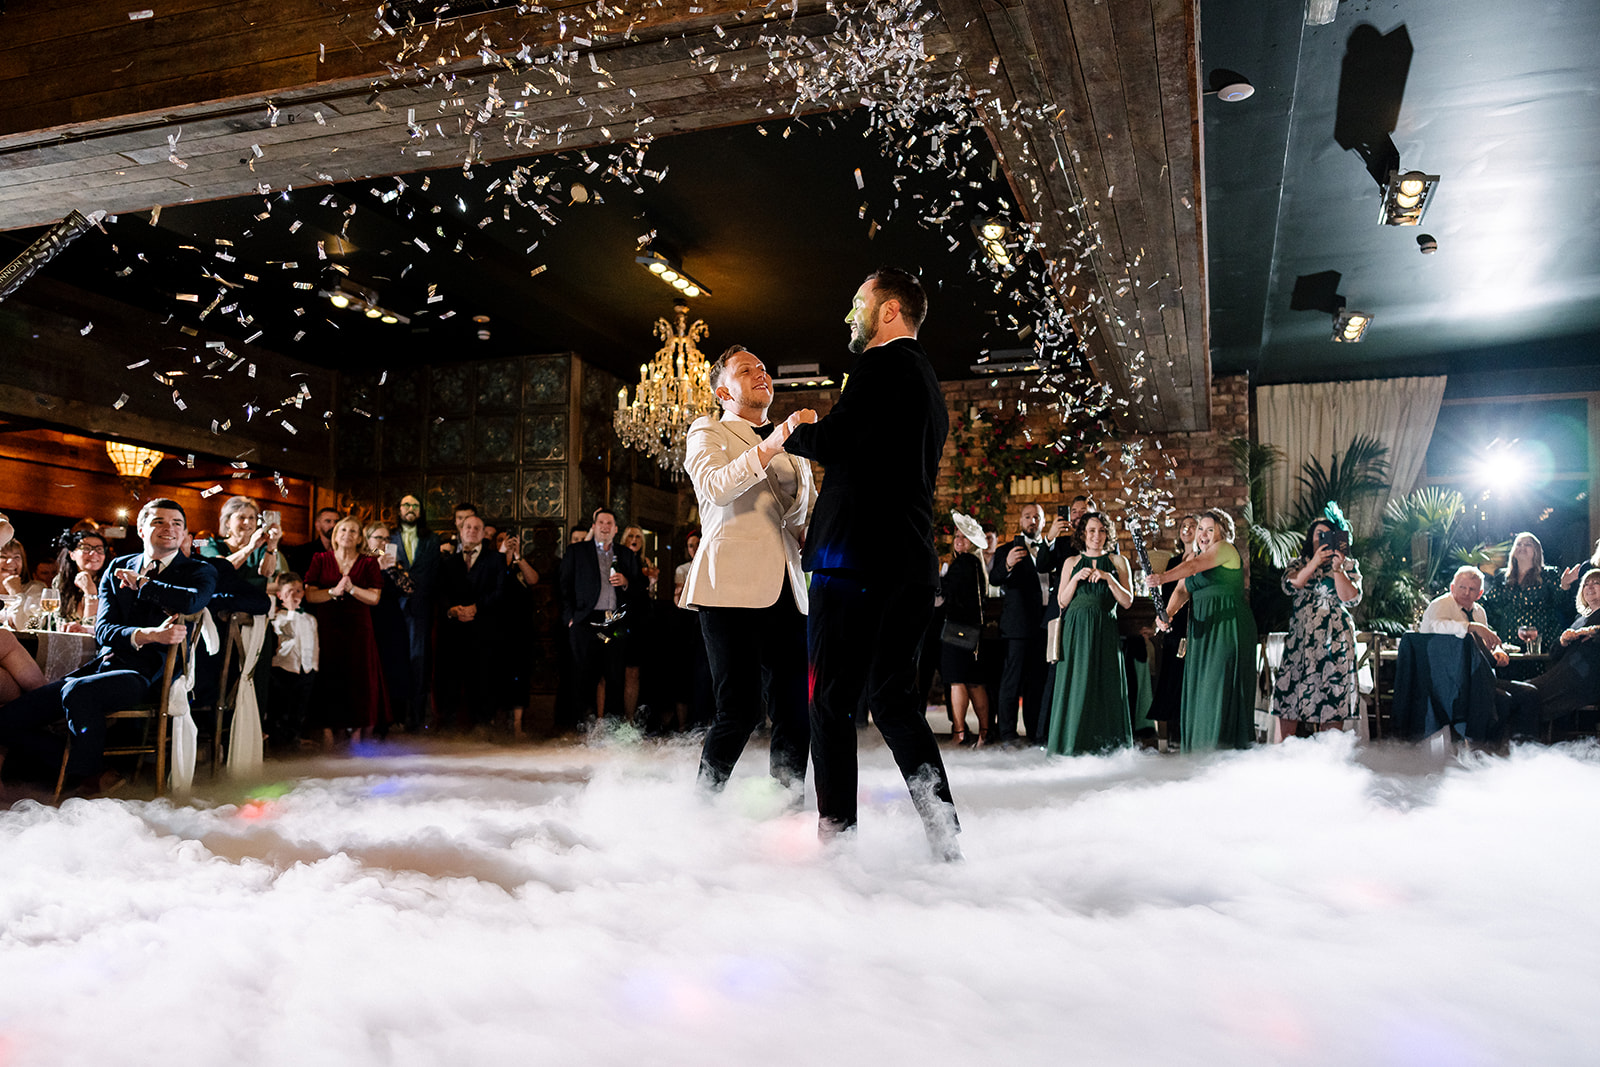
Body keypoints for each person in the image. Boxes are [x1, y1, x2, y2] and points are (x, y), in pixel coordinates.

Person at [782, 266, 960, 857]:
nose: (848, 314)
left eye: (857, 302)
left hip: (852, 562)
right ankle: (945, 837)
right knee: (892, 701)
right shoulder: (928, 381)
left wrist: (788, 430)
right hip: (910, 565)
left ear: (888, 311)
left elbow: (838, 441)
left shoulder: (881, 365)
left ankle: (837, 845)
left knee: (829, 700)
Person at [0, 499, 215, 795]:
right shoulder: (118, 566)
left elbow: (192, 601)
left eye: (177, 523)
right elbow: (103, 631)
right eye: (159, 522)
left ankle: (85, 779)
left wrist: (142, 584)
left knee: (77, 691)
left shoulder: (198, 571)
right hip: (105, 665)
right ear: (141, 529)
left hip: (150, 675)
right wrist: (147, 634)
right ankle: (89, 768)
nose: (169, 529)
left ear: (185, 533)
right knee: (7, 719)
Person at [682, 344, 816, 794]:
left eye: (763, 367)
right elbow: (717, 487)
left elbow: (802, 516)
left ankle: (788, 803)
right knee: (738, 711)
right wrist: (773, 442)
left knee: (798, 710)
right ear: (724, 390)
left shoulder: (795, 450)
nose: (761, 373)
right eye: (746, 369)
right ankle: (702, 805)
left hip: (788, 588)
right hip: (729, 588)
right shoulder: (708, 431)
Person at [1149, 508, 1257, 752]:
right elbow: (1181, 590)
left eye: (1210, 529)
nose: (1204, 534)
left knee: (1219, 686)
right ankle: (1201, 751)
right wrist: (1167, 614)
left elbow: (1194, 567)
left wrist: (1161, 577)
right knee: (1202, 688)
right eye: (1201, 529)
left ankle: (1225, 750)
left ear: (1222, 532)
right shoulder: (1191, 560)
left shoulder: (1225, 549)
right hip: (1202, 629)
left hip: (1227, 627)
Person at [1045, 511, 1134, 754]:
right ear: (1083, 534)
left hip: (1105, 628)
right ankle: (1072, 743)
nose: (1097, 535)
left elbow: (1127, 601)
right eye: (1092, 530)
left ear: (1108, 534)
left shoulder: (1118, 562)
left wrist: (1107, 578)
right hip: (1075, 630)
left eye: (1102, 530)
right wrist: (1075, 580)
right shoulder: (1071, 562)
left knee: (1106, 683)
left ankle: (1108, 747)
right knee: (1077, 683)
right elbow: (1062, 602)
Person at [1272, 506, 1363, 737]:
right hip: (1301, 640)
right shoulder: (1298, 564)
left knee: (1332, 697)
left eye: (1328, 535)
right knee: (1290, 695)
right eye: (1318, 535)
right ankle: (1285, 756)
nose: (1323, 540)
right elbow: (1291, 585)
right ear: (1310, 539)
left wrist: (1338, 569)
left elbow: (1350, 599)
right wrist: (1313, 563)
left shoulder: (1348, 565)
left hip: (1336, 641)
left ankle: (1329, 757)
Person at [437, 515, 527, 733]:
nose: (472, 531)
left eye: (477, 528)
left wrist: (477, 607)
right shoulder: (449, 562)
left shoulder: (496, 559)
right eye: (468, 527)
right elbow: (440, 592)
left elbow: (500, 591)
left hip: (484, 629)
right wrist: (452, 610)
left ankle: (482, 724)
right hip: (455, 630)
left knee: (484, 677)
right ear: (460, 530)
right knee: (452, 677)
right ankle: (449, 726)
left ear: (483, 532)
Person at [988, 503, 1068, 746]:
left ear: (1044, 522)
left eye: (1037, 517)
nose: (1032, 521)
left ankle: (1035, 732)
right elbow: (994, 578)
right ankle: (1008, 734)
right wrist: (1008, 564)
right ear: (1020, 521)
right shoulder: (1006, 550)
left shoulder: (1052, 549)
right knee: (1012, 681)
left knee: (1038, 682)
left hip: (1045, 624)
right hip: (1018, 626)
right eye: (1027, 517)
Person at [304, 515, 386, 747]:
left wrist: (351, 589)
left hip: (359, 627)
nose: (347, 535)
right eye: (343, 531)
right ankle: (329, 728)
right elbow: (310, 594)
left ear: (360, 537)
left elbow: (374, 597)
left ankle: (358, 729)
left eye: (353, 531)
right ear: (335, 535)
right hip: (329, 625)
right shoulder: (320, 558)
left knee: (359, 678)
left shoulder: (368, 561)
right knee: (330, 674)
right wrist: (333, 591)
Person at [558, 507, 643, 724]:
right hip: (585, 621)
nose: (605, 527)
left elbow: (640, 587)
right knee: (583, 674)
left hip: (615, 621)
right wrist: (570, 617)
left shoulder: (626, 554)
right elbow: (564, 586)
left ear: (615, 529)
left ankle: (612, 726)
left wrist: (626, 583)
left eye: (609, 524)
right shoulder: (577, 551)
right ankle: (581, 725)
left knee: (614, 675)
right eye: (601, 523)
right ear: (594, 527)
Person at [389, 494, 441, 732]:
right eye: (406, 505)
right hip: (394, 606)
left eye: (415, 505)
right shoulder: (388, 538)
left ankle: (417, 718)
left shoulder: (432, 540)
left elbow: (433, 572)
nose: (410, 509)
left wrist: (412, 581)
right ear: (399, 510)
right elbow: (383, 566)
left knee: (419, 662)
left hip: (420, 607)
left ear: (421, 511)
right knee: (395, 660)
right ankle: (395, 716)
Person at [1482, 532, 1580, 655]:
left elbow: (1561, 604)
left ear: (1536, 551)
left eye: (1527, 544)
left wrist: (1565, 586)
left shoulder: (1549, 574)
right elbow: (1490, 605)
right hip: (1510, 643)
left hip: (1543, 642)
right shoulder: (1502, 577)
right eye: (1518, 544)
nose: (1522, 547)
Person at [940, 512, 991, 746]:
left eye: (965, 537)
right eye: (957, 536)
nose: (959, 540)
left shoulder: (962, 563)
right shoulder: (976, 564)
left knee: (956, 681)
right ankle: (984, 732)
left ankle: (959, 733)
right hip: (974, 630)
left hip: (957, 629)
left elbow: (948, 593)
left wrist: (940, 581)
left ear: (972, 544)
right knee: (974, 681)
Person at [1148, 514, 1198, 749]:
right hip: (1174, 625)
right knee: (1171, 678)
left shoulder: (1203, 559)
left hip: (1195, 621)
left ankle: (1191, 733)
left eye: (1192, 526)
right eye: (1183, 526)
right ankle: (1171, 736)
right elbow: (1168, 595)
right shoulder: (1173, 561)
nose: (1187, 529)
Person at [1526, 567, 1600, 723]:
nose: (1590, 587)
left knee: (1527, 695)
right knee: (1524, 692)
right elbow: (1554, 653)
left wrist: (1592, 631)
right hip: (1566, 673)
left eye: (1596, 583)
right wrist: (1563, 641)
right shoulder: (1580, 619)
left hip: (1586, 679)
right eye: (1586, 584)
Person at [364, 521, 413, 735]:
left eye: (387, 539)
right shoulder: (363, 562)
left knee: (393, 669)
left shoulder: (395, 564)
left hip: (392, 623)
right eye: (378, 538)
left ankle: (390, 719)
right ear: (367, 541)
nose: (383, 542)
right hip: (369, 620)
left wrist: (391, 569)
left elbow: (409, 589)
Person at [262, 573, 318, 753]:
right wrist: (292, 611)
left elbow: (314, 643)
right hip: (284, 668)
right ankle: (277, 741)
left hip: (305, 668)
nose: (295, 595)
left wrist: (314, 665)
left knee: (299, 707)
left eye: (299, 591)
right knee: (280, 707)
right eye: (289, 591)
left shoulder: (310, 618)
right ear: (280, 595)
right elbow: (289, 631)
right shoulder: (280, 618)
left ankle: (294, 738)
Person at [195, 495, 282, 593]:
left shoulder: (261, 548)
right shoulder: (209, 544)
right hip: (220, 603)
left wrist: (273, 544)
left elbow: (267, 572)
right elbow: (220, 569)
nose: (247, 522)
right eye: (241, 517)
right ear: (227, 522)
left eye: (251, 518)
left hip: (252, 604)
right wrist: (250, 548)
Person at [52, 528, 110, 631]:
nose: (94, 553)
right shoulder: (61, 581)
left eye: (99, 549)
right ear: (72, 554)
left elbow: (96, 629)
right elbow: (59, 623)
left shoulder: (111, 583)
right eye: (86, 548)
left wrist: (90, 592)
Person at [285, 506, 339, 575]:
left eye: (336, 522)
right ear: (317, 525)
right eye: (328, 521)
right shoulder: (303, 552)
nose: (333, 525)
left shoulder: (344, 551)